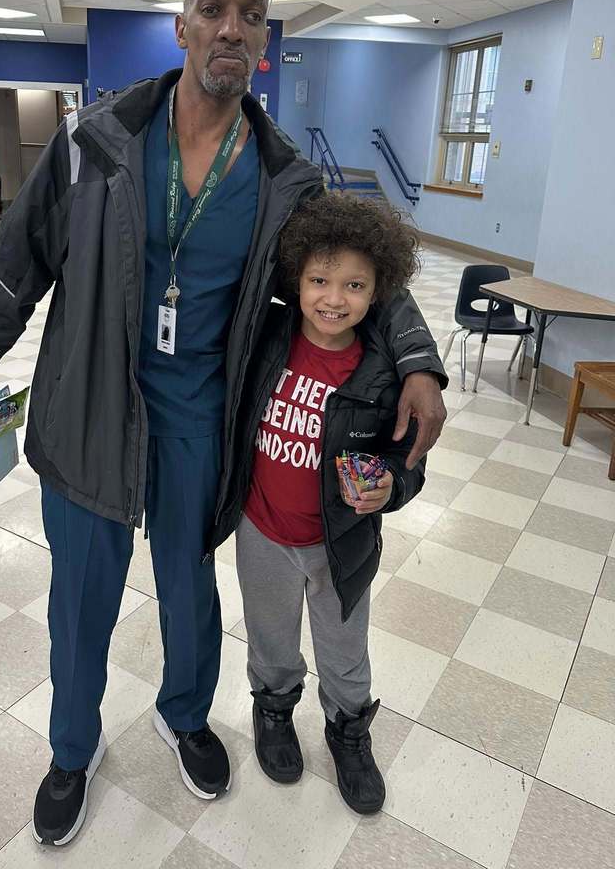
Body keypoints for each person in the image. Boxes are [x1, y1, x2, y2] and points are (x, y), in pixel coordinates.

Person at [0, 0, 447, 847]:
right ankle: (72, 749)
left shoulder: (285, 180)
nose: (232, 26)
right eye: (214, 7)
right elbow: (14, 262)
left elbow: (357, 273)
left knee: (190, 585)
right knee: (82, 594)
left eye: (252, 13)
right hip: (89, 407)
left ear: (267, 42)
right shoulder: (98, 145)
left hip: (201, 418)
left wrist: (418, 359)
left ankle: (185, 713)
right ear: (181, 25)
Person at [219, 192, 425, 814]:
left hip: (341, 543)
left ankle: (348, 731)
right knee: (272, 639)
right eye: (319, 280)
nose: (334, 298)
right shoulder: (268, 338)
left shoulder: (383, 370)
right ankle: (275, 712)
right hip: (263, 532)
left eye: (355, 285)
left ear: (378, 290)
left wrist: (391, 486)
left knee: (344, 650)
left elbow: (406, 461)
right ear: (296, 281)